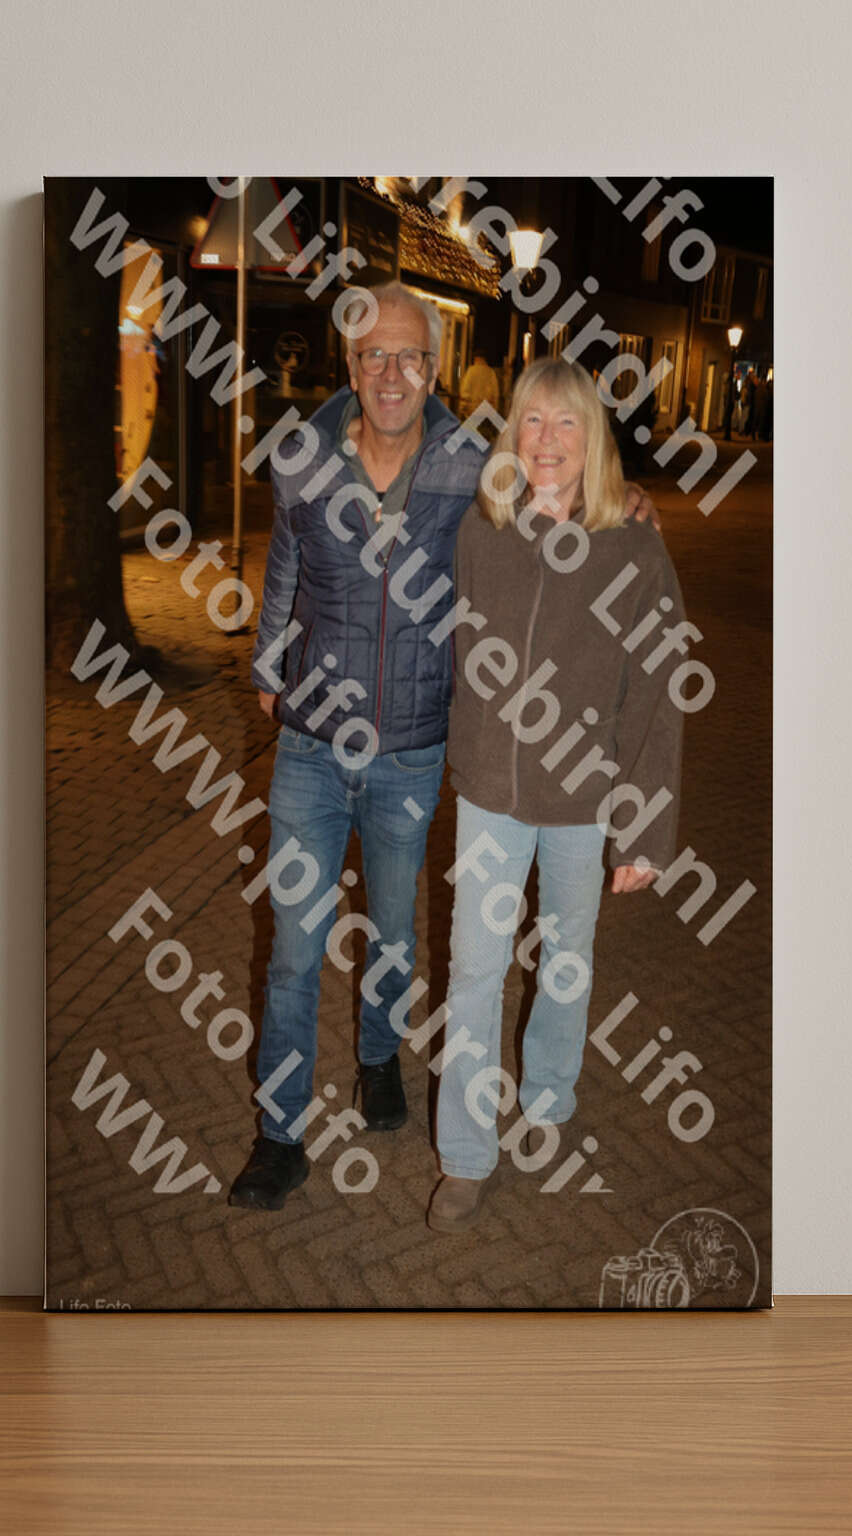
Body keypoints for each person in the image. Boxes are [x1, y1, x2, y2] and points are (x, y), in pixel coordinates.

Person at [230, 285, 658, 1211]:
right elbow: (287, 561)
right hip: (312, 743)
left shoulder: (469, 469)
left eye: (410, 357)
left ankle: (383, 1061)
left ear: (433, 369)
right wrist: (268, 661)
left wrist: (625, 497)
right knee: (299, 950)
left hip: (414, 752)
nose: (392, 373)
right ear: (351, 366)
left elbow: (555, 477)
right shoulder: (304, 459)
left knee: (398, 936)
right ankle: (282, 1136)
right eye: (374, 356)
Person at [428, 357, 685, 1233]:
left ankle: (546, 1097)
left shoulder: (633, 545)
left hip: (585, 798)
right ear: (513, 433)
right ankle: (465, 1155)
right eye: (532, 420)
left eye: (566, 422)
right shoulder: (483, 528)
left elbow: (657, 689)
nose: (547, 440)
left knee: (567, 959)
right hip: (491, 792)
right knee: (475, 969)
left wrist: (643, 829)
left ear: (592, 439)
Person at [459, 350, 501, 420]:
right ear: (484, 359)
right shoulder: (490, 372)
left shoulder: (471, 371)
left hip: (472, 410)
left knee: (471, 426)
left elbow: (465, 390)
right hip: (486, 409)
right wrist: (495, 408)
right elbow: (495, 392)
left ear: (476, 358)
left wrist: (463, 407)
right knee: (484, 427)